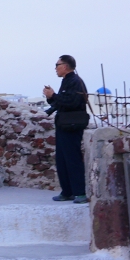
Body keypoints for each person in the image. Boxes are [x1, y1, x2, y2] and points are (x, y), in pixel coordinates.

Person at [45, 54, 90, 204]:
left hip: (72, 125)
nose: (55, 68)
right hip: (64, 125)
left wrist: (54, 95)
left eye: (57, 65)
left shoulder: (75, 81)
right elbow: (62, 102)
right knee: (62, 160)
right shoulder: (67, 81)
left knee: (72, 159)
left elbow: (72, 102)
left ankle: (80, 193)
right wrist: (51, 97)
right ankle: (67, 191)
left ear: (65, 66)